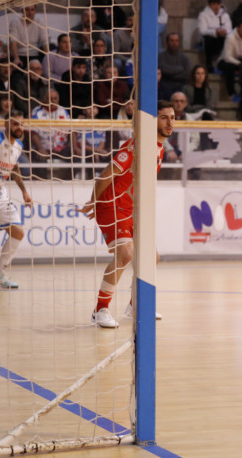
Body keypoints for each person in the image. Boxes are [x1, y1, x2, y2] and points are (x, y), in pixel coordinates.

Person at [79, 101, 175, 328]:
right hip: (111, 205)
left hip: (131, 208)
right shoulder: (137, 147)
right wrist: (93, 201)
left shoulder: (158, 147)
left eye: (172, 117)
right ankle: (100, 309)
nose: (170, 122)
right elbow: (105, 175)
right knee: (125, 253)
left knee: (152, 258)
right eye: (164, 117)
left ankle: (135, 306)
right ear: (153, 121)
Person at [0, 111, 33, 289]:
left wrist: (24, 192)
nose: (19, 127)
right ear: (6, 125)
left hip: (0, 194)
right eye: (15, 124)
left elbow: (15, 168)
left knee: (18, 232)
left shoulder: (18, 145)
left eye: (21, 124)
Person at [218, 19, 242, 97]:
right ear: (238, 28)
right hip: (226, 61)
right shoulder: (230, 37)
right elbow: (227, 57)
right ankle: (231, 93)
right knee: (229, 67)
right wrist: (241, 64)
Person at [198, 0, 232, 73]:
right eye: (214, 4)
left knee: (229, 39)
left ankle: (225, 63)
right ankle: (209, 64)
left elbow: (229, 29)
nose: (216, 6)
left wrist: (224, 32)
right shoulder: (203, 15)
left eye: (218, 4)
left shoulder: (225, 15)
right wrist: (215, 32)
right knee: (208, 39)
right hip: (209, 39)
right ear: (210, 5)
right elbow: (202, 30)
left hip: (221, 38)